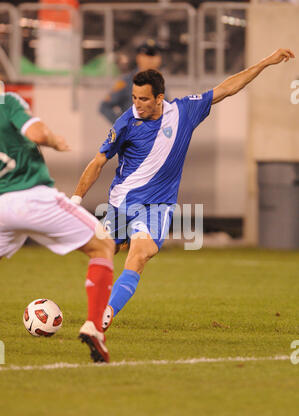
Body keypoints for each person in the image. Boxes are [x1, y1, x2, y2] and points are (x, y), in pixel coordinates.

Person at [71, 48, 295, 331]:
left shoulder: (184, 111)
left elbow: (227, 88)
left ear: (159, 98)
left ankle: (104, 315)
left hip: (156, 206)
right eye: (134, 98)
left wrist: (265, 61)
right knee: (100, 252)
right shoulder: (125, 122)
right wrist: (75, 199)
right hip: (120, 204)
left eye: (143, 99)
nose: (137, 105)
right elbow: (99, 161)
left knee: (139, 254)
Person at [0, 91, 115, 362]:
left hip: (2, 206)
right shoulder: (7, 102)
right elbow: (37, 134)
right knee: (103, 245)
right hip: (34, 196)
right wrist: (55, 140)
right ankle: (94, 327)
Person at [99, 40, 164, 124]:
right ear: (139, 58)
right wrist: (124, 126)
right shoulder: (127, 82)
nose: (151, 60)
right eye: (148, 55)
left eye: (155, 55)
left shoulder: (160, 81)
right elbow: (105, 107)